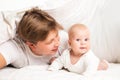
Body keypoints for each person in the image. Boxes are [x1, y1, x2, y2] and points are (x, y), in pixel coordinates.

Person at [0, 8, 69, 69]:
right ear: (32, 45)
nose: (57, 43)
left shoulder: (63, 38)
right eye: (50, 42)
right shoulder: (16, 49)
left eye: (57, 36)